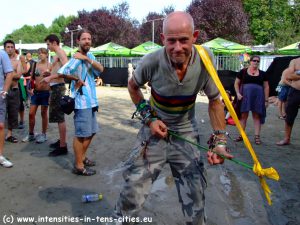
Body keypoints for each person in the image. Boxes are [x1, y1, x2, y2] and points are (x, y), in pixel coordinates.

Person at [111, 11, 233, 225]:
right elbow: (133, 87)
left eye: (184, 40)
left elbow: (215, 101)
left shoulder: (206, 58)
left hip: (186, 132)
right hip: (153, 132)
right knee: (132, 190)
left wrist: (220, 142)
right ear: (162, 39)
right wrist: (149, 119)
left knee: (196, 195)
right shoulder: (152, 61)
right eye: (171, 41)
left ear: (194, 36)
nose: (178, 47)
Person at [58, 29, 104, 176]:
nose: (87, 41)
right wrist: (76, 79)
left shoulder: (89, 56)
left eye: (89, 39)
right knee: (81, 134)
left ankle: (82, 157)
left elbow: (101, 69)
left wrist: (87, 59)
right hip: (81, 101)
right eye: (84, 39)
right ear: (78, 41)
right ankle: (78, 165)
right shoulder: (75, 58)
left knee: (91, 132)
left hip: (92, 100)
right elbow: (63, 72)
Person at [41, 34, 68, 156]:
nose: (47, 46)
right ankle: (61, 141)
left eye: (48, 44)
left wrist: (51, 76)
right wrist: (49, 72)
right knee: (58, 118)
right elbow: (58, 69)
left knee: (60, 118)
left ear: (54, 43)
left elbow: (68, 71)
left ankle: (63, 146)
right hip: (55, 87)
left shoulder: (61, 52)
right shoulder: (57, 54)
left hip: (58, 88)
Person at [234, 55, 269, 145]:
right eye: (254, 60)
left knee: (256, 116)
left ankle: (257, 137)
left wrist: (266, 100)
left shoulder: (263, 74)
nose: (256, 62)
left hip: (258, 97)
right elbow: (236, 83)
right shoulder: (243, 71)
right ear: (250, 61)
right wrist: (237, 93)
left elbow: (266, 87)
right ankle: (241, 135)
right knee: (243, 116)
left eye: (258, 61)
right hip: (245, 97)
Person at [22, 48, 51, 143]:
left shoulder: (50, 65)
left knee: (43, 113)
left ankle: (44, 134)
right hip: (36, 93)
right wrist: (30, 88)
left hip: (45, 93)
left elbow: (53, 80)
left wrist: (51, 93)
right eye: (39, 53)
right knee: (31, 113)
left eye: (42, 53)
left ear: (47, 54)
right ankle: (31, 134)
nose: (40, 55)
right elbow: (32, 78)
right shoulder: (35, 64)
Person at [3, 40, 27, 143]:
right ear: (4, 48)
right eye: (8, 47)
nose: (10, 49)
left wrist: (7, 74)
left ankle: (9, 134)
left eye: (12, 47)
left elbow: (18, 75)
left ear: (14, 48)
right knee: (2, 113)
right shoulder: (1, 60)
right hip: (2, 90)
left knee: (12, 112)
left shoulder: (17, 61)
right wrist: (11, 72)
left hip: (14, 90)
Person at [276, 57, 300, 146]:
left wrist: (297, 73)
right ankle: (287, 138)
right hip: (295, 91)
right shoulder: (294, 61)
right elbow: (289, 76)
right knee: (289, 115)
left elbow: (293, 75)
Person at [0, 50, 14, 167]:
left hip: (0, 96)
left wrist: (4, 90)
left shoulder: (2, 54)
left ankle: (0, 155)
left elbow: (9, 73)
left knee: (0, 126)